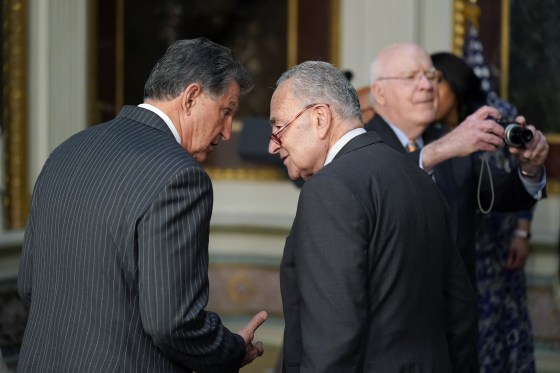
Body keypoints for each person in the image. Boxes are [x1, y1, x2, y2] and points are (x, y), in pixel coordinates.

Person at [17, 37, 267, 372]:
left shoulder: (66, 152)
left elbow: (28, 286)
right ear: (191, 97)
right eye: (226, 111)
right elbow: (173, 323)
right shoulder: (181, 175)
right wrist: (232, 349)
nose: (225, 132)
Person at [269, 60, 477, 372]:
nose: (273, 145)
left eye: (278, 127)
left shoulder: (329, 189)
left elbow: (332, 340)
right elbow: (460, 311)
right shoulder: (419, 178)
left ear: (320, 118)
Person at [364, 42, 548, 287]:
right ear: (379, 92)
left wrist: (530, 167)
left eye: (432, 76)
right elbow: (379, 189)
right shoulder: (359, 144)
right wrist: (439, 150)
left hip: (455, 316)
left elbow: (504, 195)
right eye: (411, 77)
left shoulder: (451, 140)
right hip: (388, 315)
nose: (428, 86)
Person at [432, 51, 537, 372]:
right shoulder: (430, 130)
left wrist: (522, 230)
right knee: (471, 323)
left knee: (506, 315)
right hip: (463, 241)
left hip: (500, 235)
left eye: (438, 82)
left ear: (456, 82)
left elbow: (522, 169)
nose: (430, 92)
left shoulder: (493, 115)